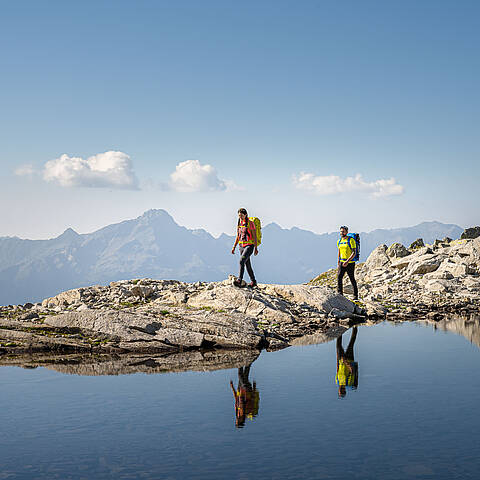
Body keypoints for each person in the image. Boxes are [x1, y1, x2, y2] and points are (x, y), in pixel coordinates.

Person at [231, 208, 258, 287]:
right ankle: (253, 281)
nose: (240, 217)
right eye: (239, 216)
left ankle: (239, 280)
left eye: (242, 215)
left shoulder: (250, 223)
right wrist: (234, 247)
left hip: (249, 246)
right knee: (247, 264)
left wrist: (256, 248)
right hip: (241, 246)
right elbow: (238, 236)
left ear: (246, 215)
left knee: (241, 261)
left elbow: (255, 236)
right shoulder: (239, 224)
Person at [336, 327, 359, 398]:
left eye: (340, 392)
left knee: (338, 345)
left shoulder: (337, 382)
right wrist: (346, 362)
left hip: (341, 360)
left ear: (338, 391)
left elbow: (337, 369)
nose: (341, 390)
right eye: (343, 392)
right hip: (349, 359)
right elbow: (351, 370)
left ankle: (340, 327)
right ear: (345, 391)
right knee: (351, 342)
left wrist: (337, 357)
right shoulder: (348, 383)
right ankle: (355, 325)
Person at [337, 225, 359, 300]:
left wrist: (347, 261)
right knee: (339, 277)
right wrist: (338, 260)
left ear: (346, 232)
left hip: (350, 263)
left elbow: (354, 252)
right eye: (340, 231)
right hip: (341, 262)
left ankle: (355, 295)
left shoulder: (351, 240)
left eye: (343, 231)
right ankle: (340, 293)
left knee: (351, 278)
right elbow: (339, 251)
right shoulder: (339, 241)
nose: (341, 233)